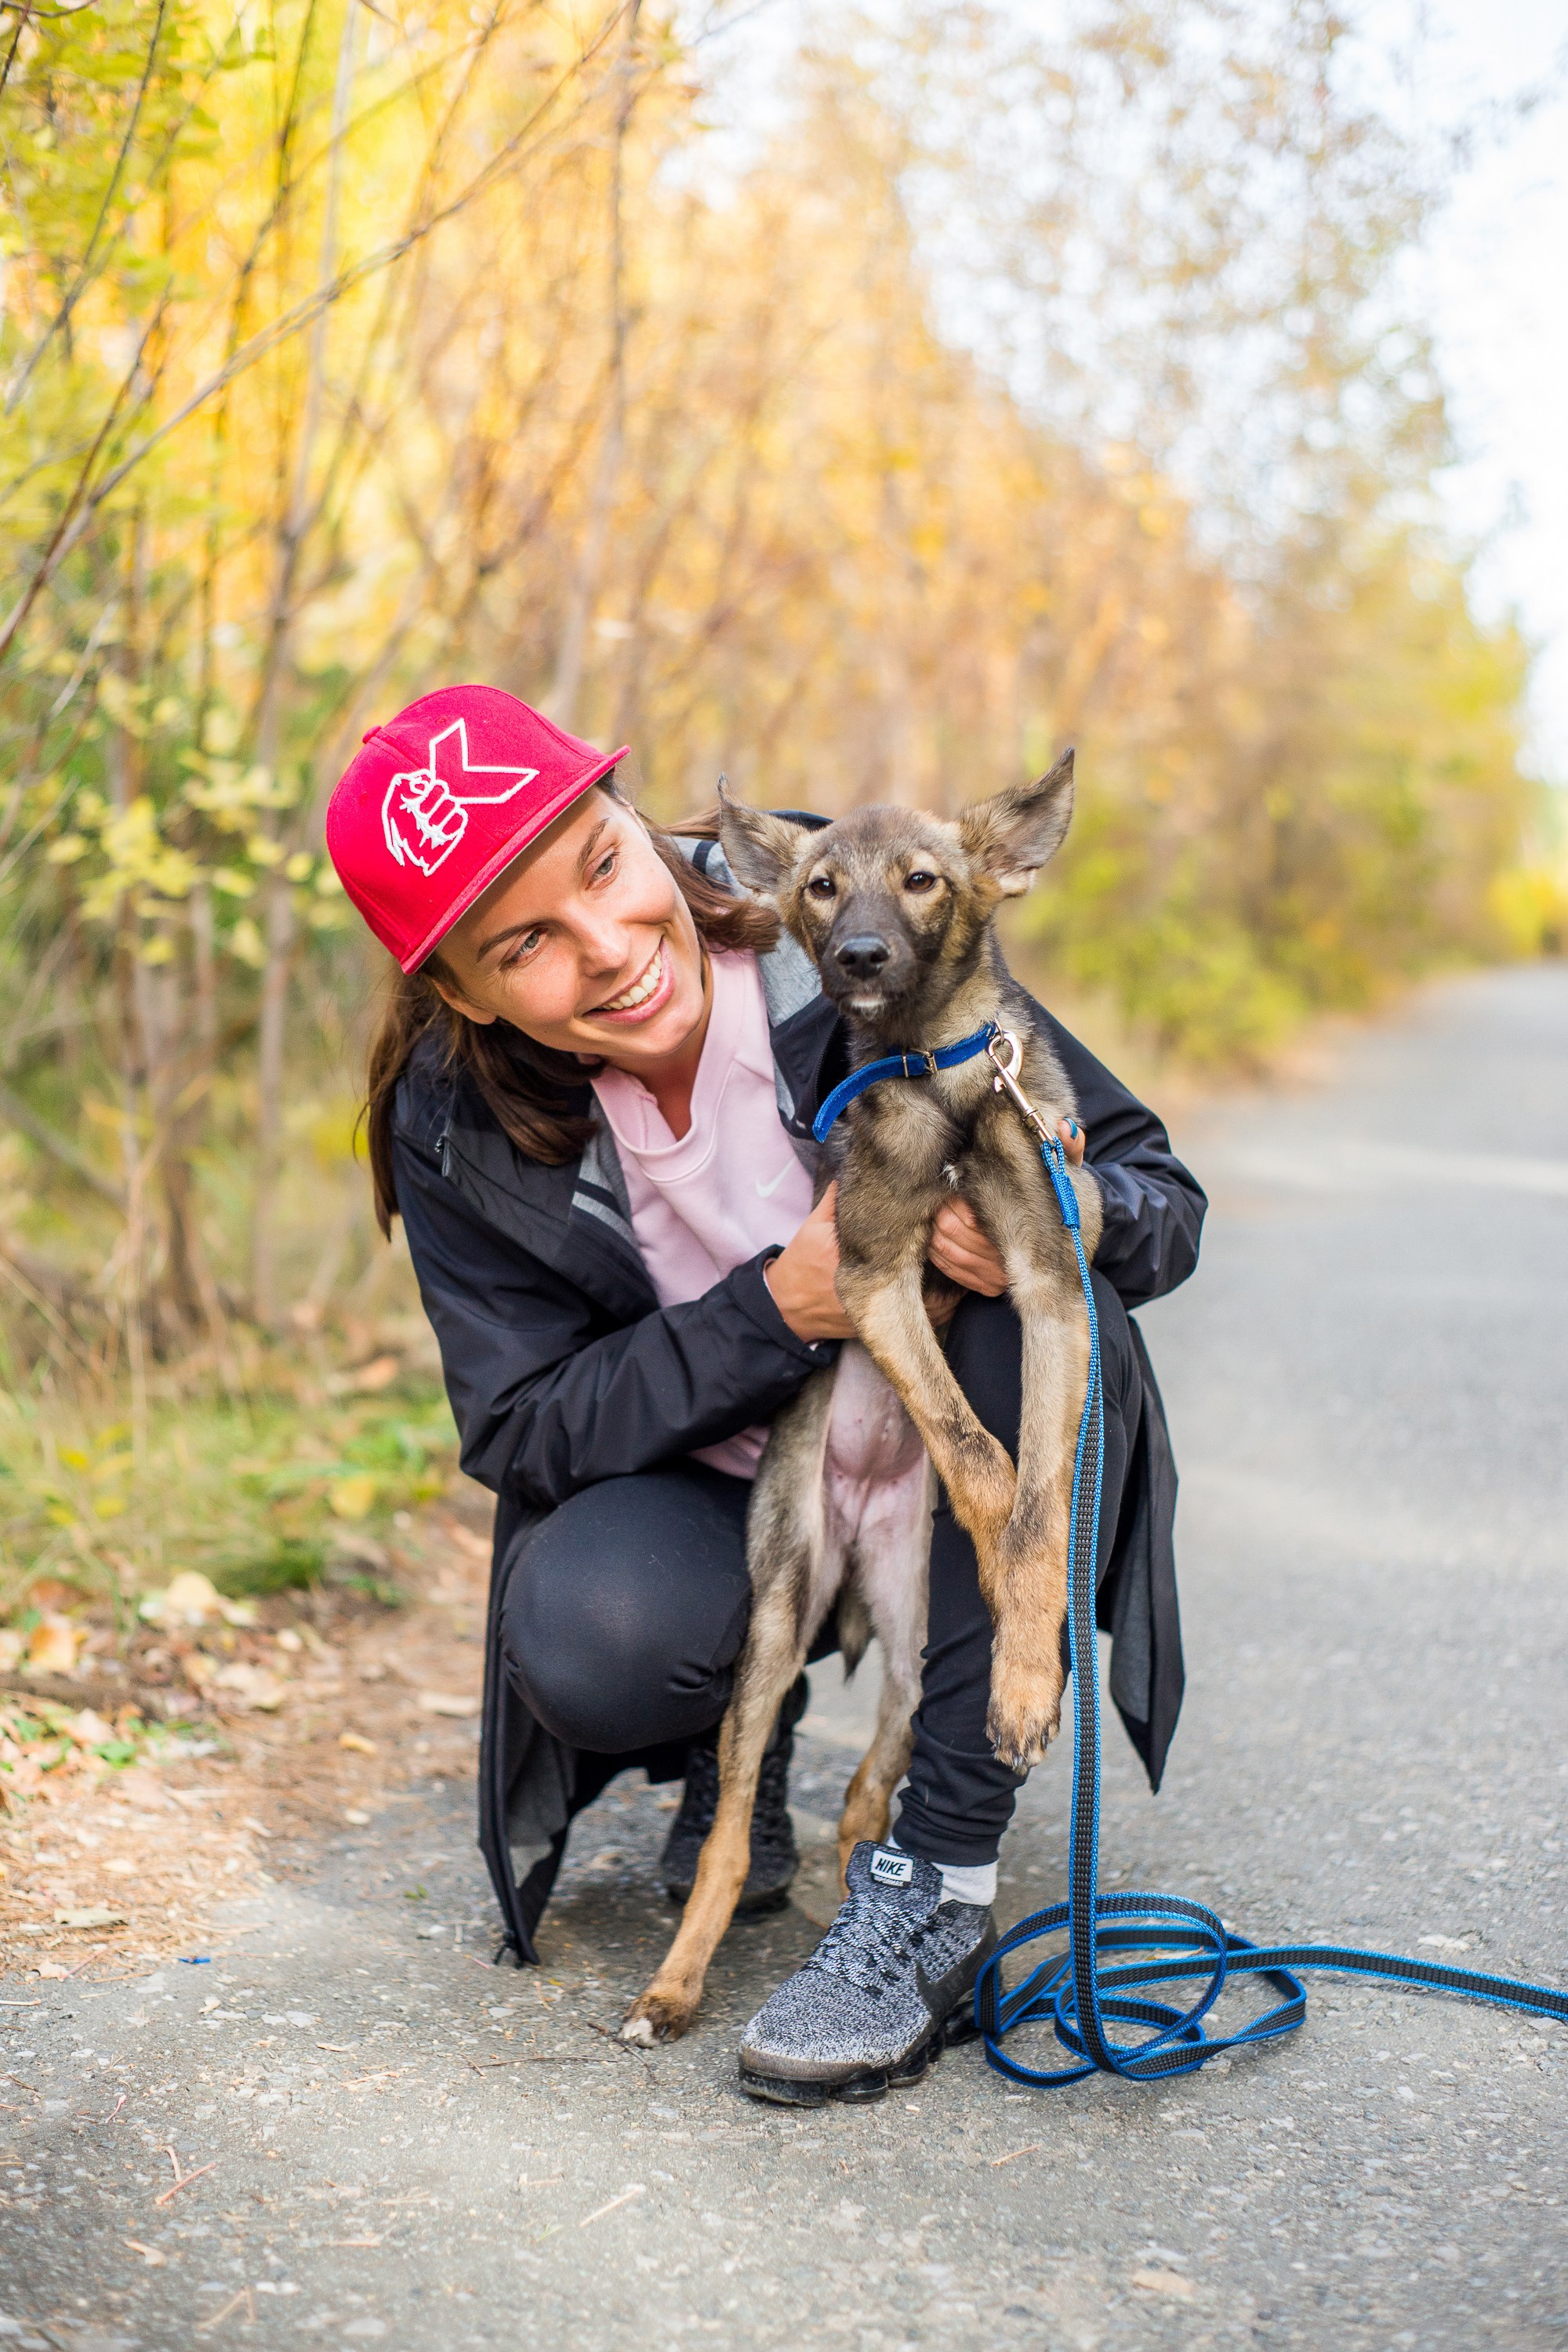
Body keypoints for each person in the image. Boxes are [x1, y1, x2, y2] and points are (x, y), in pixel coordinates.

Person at [326, 682, 1205, 2104]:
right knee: (589, 1632)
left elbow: (1160, 1201)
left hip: (948, 1439)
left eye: (603, 867)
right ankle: (752, 1746)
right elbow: (523, 1425)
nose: (610, 951)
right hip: (729, 1472)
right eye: (528, 943)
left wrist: (1059, 1206)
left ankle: (935, 1874)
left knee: (1008, 1292)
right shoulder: (453, 1120)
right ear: (461, 990)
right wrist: (773, 1312)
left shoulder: (855, 918)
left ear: (634, 821)